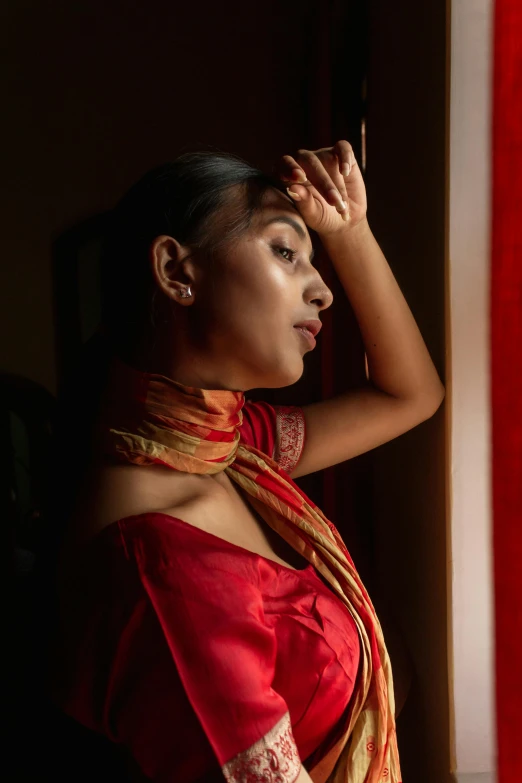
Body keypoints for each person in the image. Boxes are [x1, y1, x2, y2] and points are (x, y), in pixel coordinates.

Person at [49, 141, 445, 782]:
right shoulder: (165, 566)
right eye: (286, 252)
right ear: (177, 272)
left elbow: (412, 395)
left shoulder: (233, 450)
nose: (324, 293)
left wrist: (348, 233)